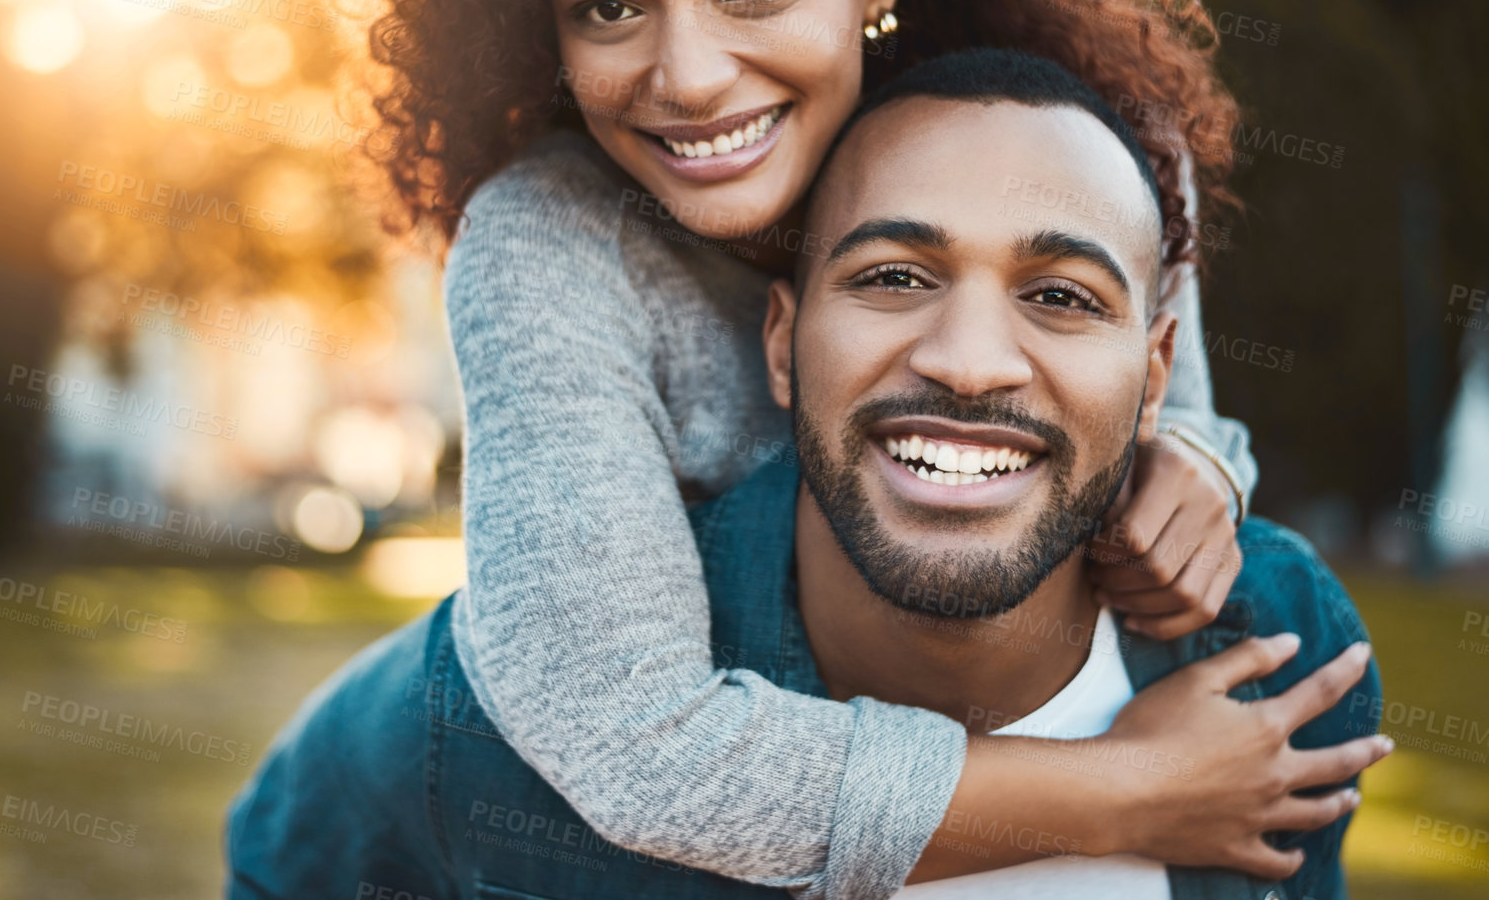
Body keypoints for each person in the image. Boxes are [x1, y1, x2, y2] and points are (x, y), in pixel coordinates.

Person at [332, 0, 1286, 892]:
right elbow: (639, 748)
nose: (686, 78)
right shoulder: (552, 245)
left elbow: (1160, 394)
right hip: (382, 826)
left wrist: (1194, 454)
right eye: (605, 7)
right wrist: (1130, 791)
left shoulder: (1070, 150)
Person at [226, 50, 1387, 900]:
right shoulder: (494, 729)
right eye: (891, 277)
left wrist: (1195, 445)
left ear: (1156, 371)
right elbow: (290, 848)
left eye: (1059, 296)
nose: (970, 363)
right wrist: (1119, 790)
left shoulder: (1275, 655)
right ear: (778, 341)